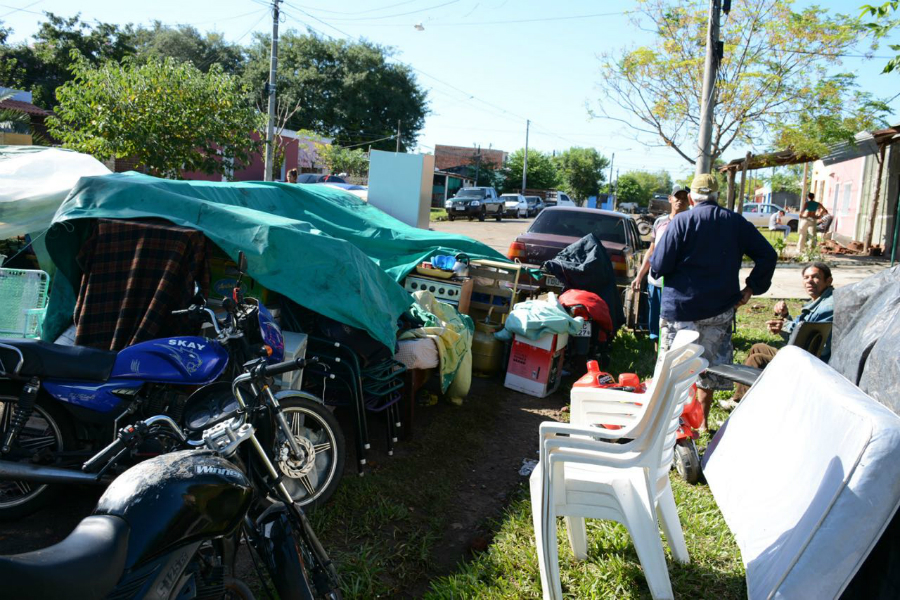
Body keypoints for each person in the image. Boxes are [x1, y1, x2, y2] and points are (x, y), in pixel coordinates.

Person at [650, 173, 777, 431]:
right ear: (717, 196)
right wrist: (751, 288)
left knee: (673, 370)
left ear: (691, 198)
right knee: (709, 368)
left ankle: (667, 426)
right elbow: (768, 255)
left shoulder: (681, 222)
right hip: (719, 310)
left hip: (681, 311)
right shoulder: (736, 223)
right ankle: (702, 424)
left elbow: (659, 265)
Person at [720, 262, 834, 409]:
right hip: (803, 354)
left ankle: (743, 406)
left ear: (828, 281)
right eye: (806, 277)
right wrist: (785, 317)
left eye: (815, 277)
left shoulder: (827, 307)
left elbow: (816, 344)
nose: (809, 281)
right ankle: (745, 396)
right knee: (757, 347)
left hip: (812, 362)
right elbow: (801, 333)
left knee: (758, 358)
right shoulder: (819, 301)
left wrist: (786, 326)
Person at [631, 185, 691, 349]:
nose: (680, 200)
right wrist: (639, 276)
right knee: (656, 322)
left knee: (678, 324)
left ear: (690, 200)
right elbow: (652, 251)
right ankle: (658, 355)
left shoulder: (692, 223)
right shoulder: (660, 222)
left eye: (684, 197)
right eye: (677, 197)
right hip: (657, 282)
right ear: (670, 199)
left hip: (679, 286)